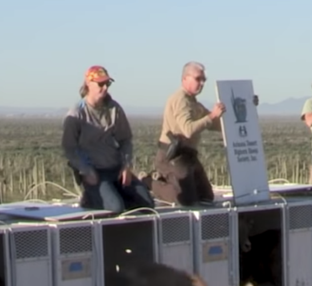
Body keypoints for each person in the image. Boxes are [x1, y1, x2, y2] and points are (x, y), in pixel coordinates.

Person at [61, 66, 153, 212]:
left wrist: (126, 165)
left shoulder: (114, 109)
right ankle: (91, 199)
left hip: (116, 168)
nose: (104, 88)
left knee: (147, 204)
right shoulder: (76, 114)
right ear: (88, 84)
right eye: (100, 84)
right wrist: (85, 170)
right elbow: (69, 147)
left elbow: (125, 139)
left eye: (107, 84)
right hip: (95, 172)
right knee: (115, 209)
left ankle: (116, 194)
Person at [151, 61, 227, 207]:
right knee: (187, 200)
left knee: (206, 197)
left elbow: (214, 123)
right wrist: (211, 116)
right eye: (198, 79)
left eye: (203, 80)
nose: (202, 83)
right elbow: (188, 129)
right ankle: (150, 182)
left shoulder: (194, 103)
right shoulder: (180, 100)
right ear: (185, 78)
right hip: (172, 155)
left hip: (188, 156)